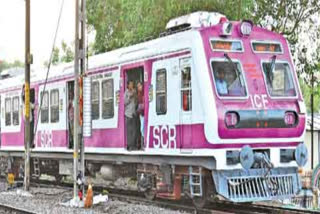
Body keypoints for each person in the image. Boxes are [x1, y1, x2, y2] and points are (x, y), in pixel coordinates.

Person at [125, 80, 137, 150]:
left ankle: (133, 144)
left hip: (134, 113)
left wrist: (135, 95)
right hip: (128, 114)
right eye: (130, 84)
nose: (131, 85)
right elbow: (124, 102)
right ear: (128, 85)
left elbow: (136, 101)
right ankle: (129, 145)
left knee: (134, 130)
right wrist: (130, 97)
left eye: (132, 84)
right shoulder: (126, 92)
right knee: (129, 131)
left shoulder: (134, 91)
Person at [136, 82, 144, 148]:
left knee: (142, 128)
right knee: (142, 128)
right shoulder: (138, 94)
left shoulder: (144, 93)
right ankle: (142, 143)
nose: (139, 87)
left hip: (143, 112)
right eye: (138, 86)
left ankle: (143, 143)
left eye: (140, 86)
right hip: (141, 113)